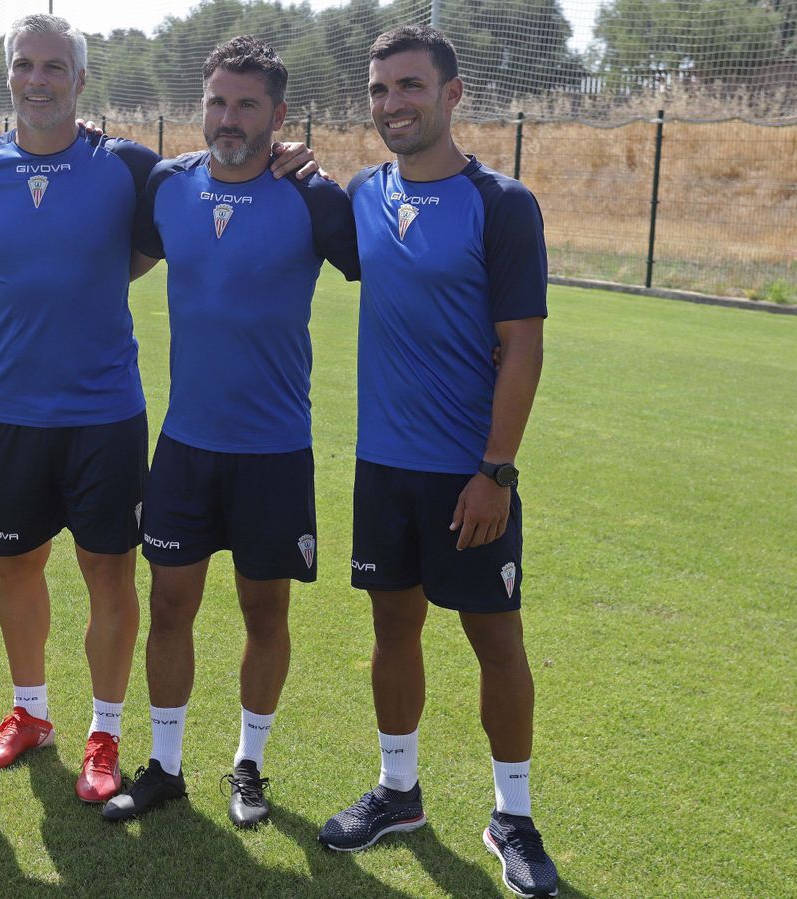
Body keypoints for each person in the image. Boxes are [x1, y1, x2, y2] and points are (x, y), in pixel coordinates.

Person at [0, 14, 318, 803]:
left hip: (105, 410)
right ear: (7, 75)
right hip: (6, 407)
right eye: (23, 65)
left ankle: (104, 734)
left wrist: (287, 164)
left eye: (53, 66)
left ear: (81, 80)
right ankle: (30, 712)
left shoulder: (132, 169)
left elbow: (156, 241)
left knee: (109, 570)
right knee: (17, 564)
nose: (36, 79)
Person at [315, 25, 560, 899]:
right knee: (393, 631)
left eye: (410, 87)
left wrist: (495, 470)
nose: (392, 105)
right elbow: (321, 238)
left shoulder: (501, 203)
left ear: (452, 95)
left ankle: (513, 815)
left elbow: (521, 346)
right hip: (384, 466)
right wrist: (294, 171)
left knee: (496, 639)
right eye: (380, 91)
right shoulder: (362, 193)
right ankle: (397, 790)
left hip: (470, 475)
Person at [100, 36, 358, 827]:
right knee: (170, 603)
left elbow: (389, 276)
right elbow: (123, 248)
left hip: (274, 450)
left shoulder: (312, 197)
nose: (228, 117)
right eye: (217, 100)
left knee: (263, 611)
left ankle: (249, 764)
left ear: (279, 115)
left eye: (247, 104)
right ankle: (166, 765)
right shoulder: (168, 184)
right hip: (185, 445)